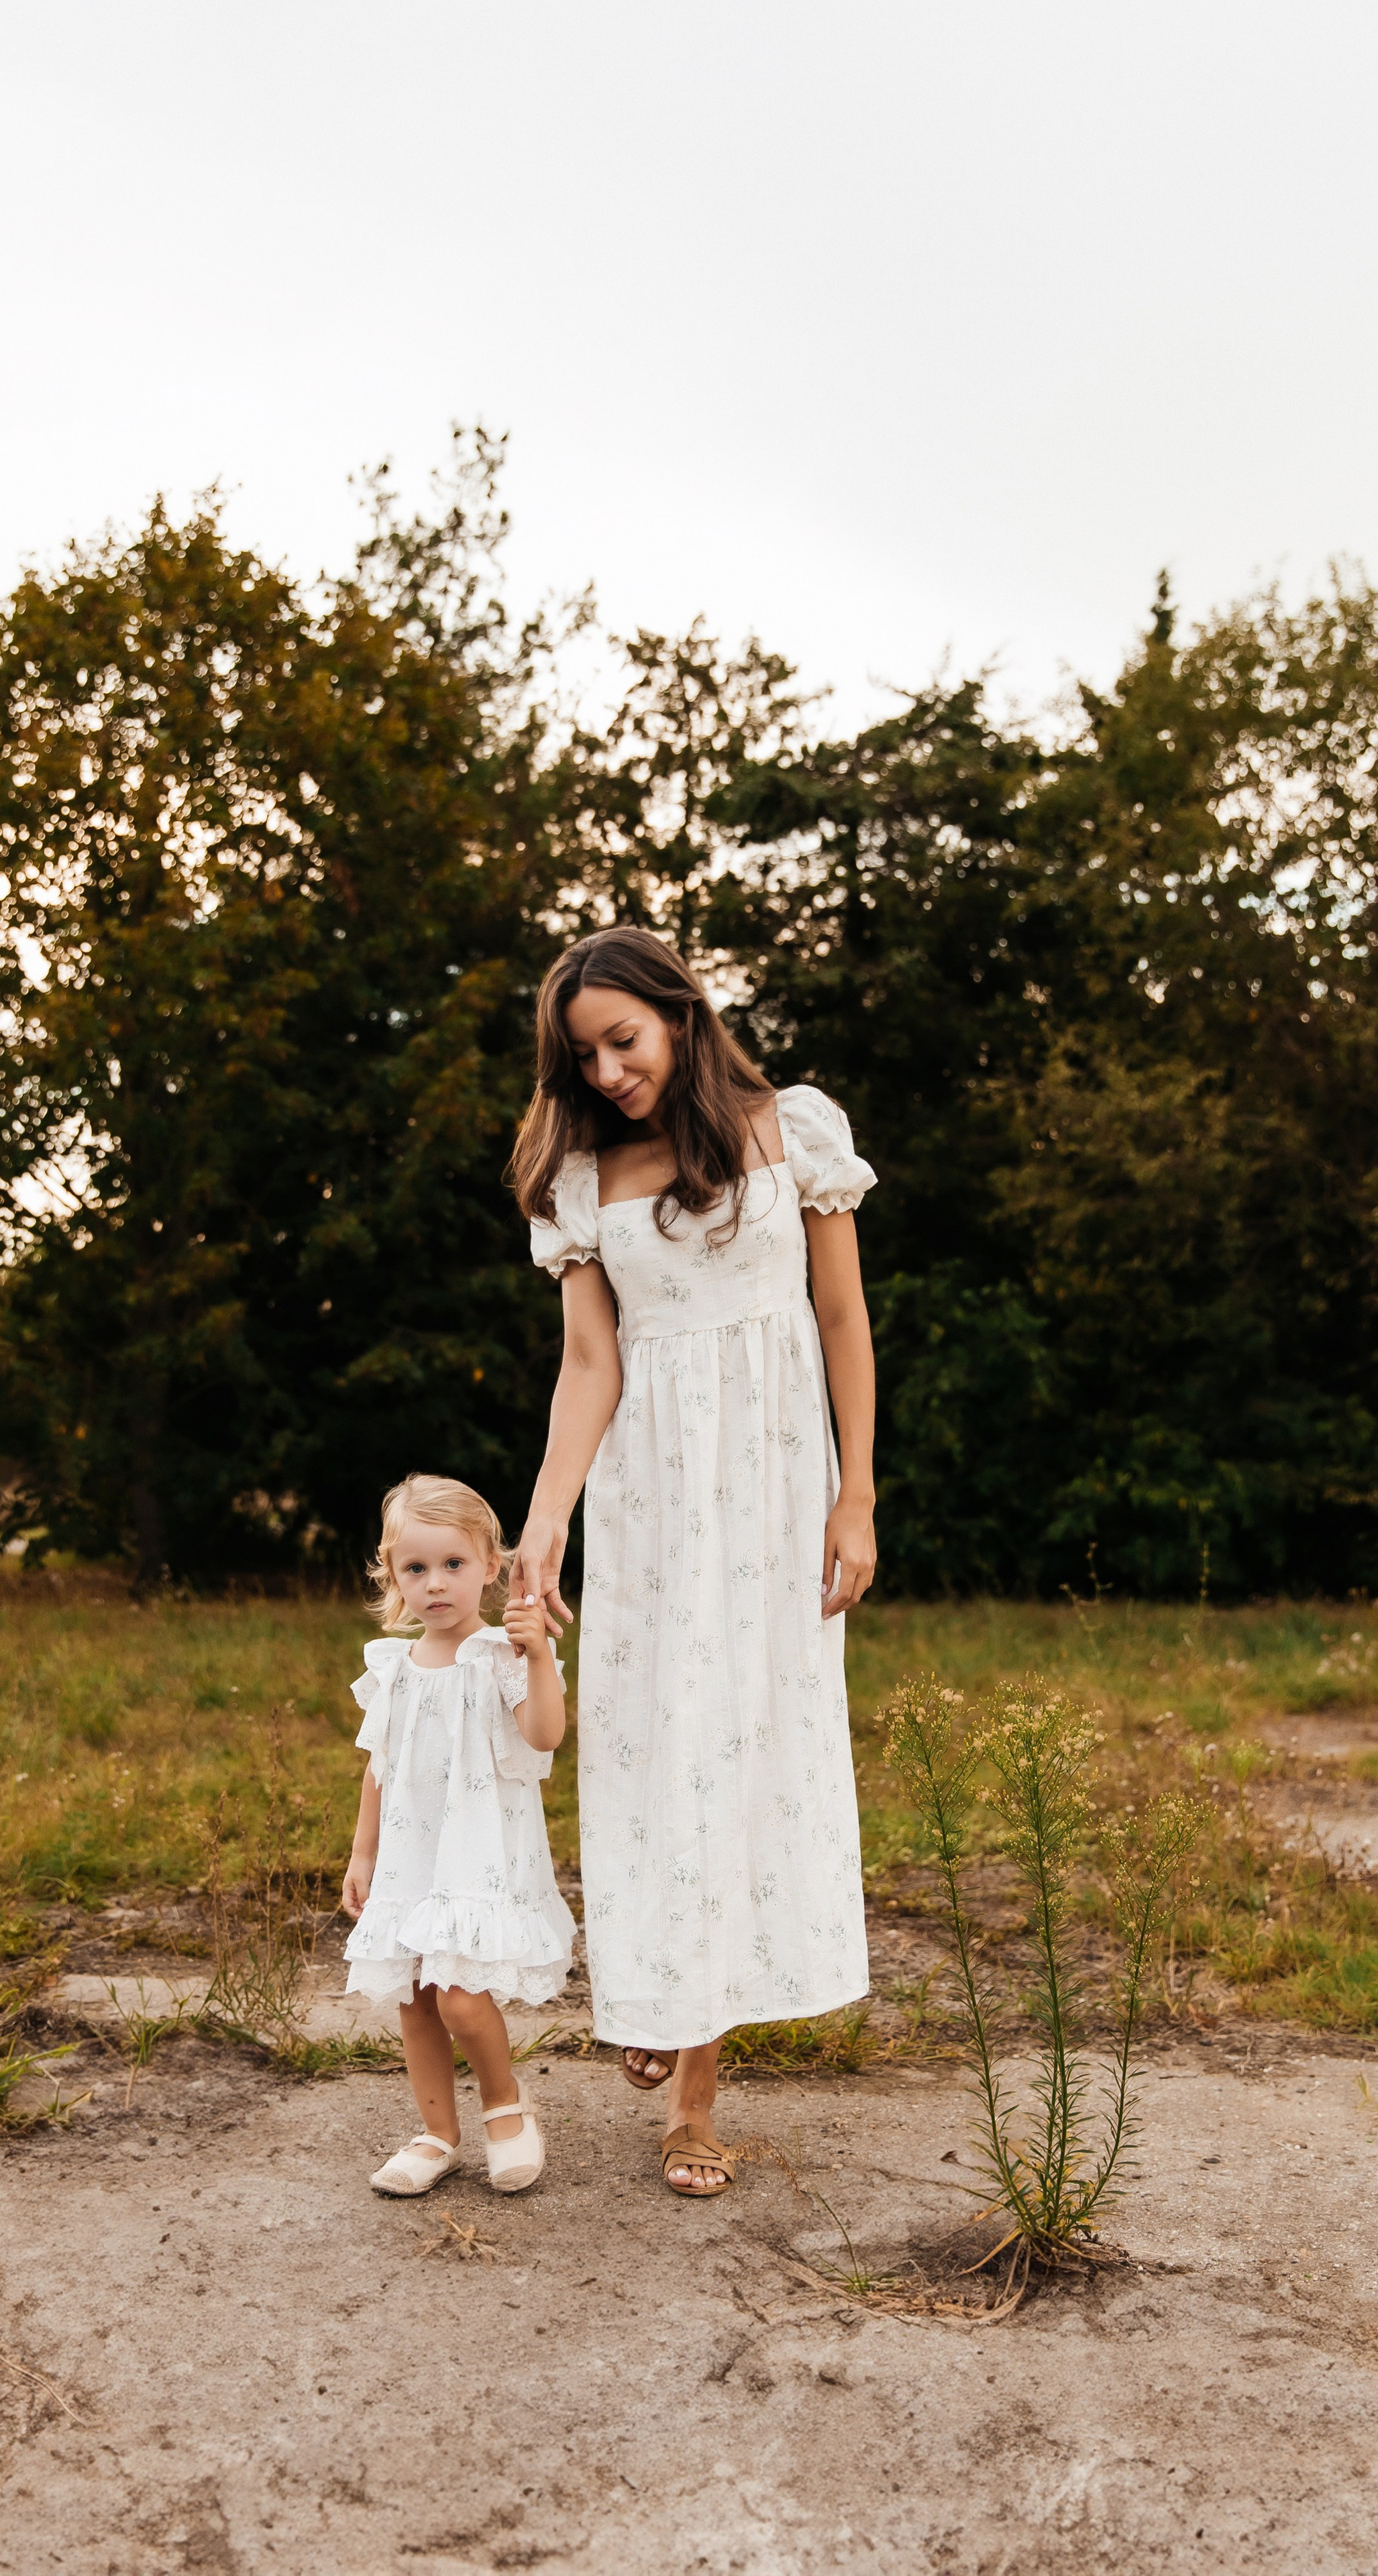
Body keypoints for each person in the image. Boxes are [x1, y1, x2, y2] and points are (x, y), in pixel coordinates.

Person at [507, 927, 877, 2198]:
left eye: (625, 1040)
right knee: (656, 1746)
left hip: (778, 1490)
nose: (608, 1072)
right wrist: (548, 1516)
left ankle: (696, 2105)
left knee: (752, 1744)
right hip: (655, 1500)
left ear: (678, 1012)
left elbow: (841, 1320)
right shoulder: (583, 1182)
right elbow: (590, 1365)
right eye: (585, 1056)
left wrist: (858, 1498)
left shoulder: (797, 1131)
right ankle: (657, 1987)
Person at [340, 1472, 574, 2196]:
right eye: (416, 1569)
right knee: (414, 1998)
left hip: (476, 1858)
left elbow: (545, 1737)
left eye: (453, 1565)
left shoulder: (498, 1657)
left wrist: (537, 1657)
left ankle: (505, 2107)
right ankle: (437, 2133)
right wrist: (363, 1851)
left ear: (489, 1567)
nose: (435, 1584)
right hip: (413, 1857)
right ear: (394, 1579)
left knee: (459, 1996)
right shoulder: (395, 1670)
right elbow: (382, 1765)